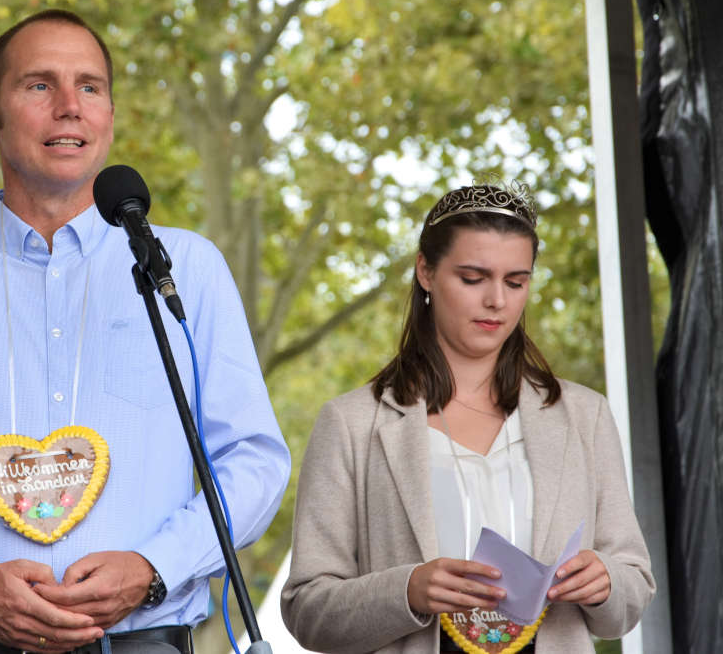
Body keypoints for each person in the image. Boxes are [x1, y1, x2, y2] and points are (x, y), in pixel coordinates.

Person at [0, 9, 290, 654]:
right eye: (39, 85)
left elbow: (253, 462)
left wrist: (154, 570)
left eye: (90, 87)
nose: (70, 106)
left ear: (108, 114)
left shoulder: (187, 268)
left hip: (146, 641)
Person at [280, 182, 655, 653]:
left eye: (516, 281)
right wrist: (408, 590)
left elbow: (633, 592)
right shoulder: (351, 424)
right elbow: (305, 608)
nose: (497, 300)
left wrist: (606, 581)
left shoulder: (584, 416)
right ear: (426, 272)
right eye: (474, 278)